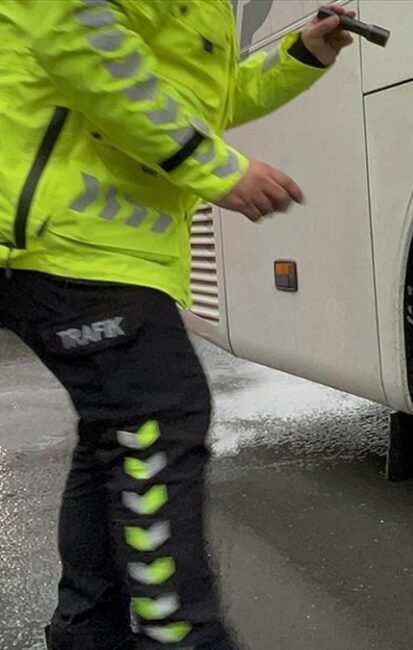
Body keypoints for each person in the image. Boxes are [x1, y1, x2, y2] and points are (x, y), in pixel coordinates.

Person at [0, 2, 356, 647]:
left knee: (117, 433)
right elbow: (79, 39)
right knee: (159, 416)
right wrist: (216, 168)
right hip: (62, 241)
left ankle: (87, 632)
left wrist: (299, 56)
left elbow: (200, 99)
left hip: (96, 246)